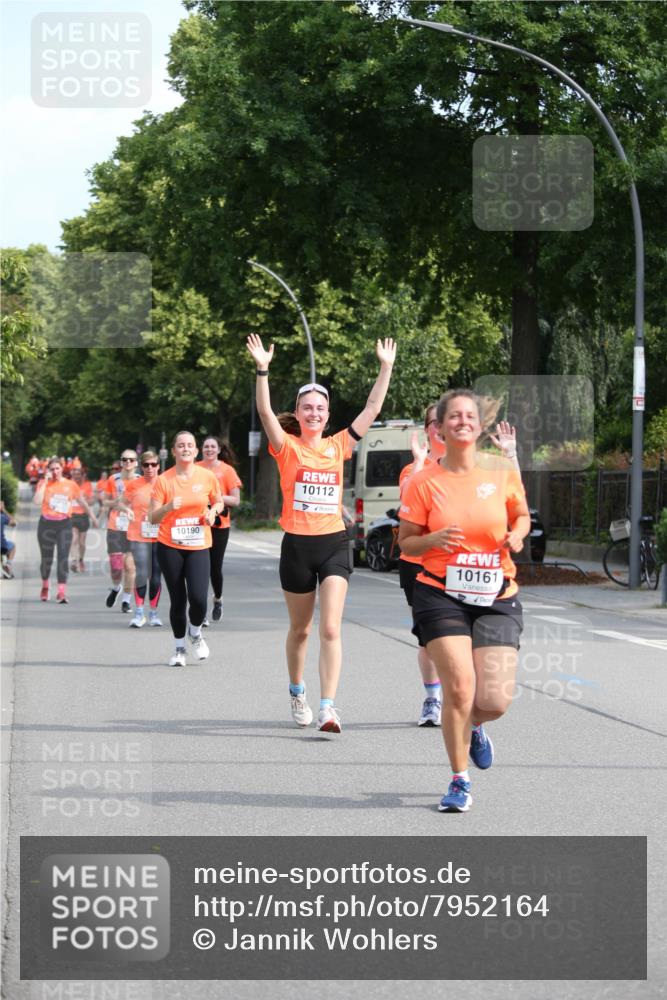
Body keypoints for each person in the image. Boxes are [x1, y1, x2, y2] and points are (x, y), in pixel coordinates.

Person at [245, 333, 396, 733]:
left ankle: (329, 707)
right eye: (307, 408)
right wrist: (263, 370)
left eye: (320, 408)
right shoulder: (287, 447)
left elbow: (372, 407)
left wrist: (386, 367)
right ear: (298, 412)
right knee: (301, 629)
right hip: (296, 545)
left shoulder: (339, 445)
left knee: (330, 627)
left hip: (333, 542)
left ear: (328, 415)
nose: (314, 413)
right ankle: (298, 691)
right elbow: (264, 414)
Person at [398, 389, 530, 812]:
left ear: (480, 424)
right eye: (452, 416)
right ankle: (459, 780)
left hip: (496, 594)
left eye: (469, 416)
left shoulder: (501, 470)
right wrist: (432, 539)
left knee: (493, 701)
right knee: (458, 688)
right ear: (439, 426)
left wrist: (518, 534)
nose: (462, 422)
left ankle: (475, 725)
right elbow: (406, 543)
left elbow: (522, 514)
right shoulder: (423, 481)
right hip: (440, 592)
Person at [149, 431, 223, 666]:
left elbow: (219, 500)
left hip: (199, 544)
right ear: (173, 451)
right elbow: (152, 517)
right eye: (181, 445)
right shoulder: (164, 480)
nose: (186, 449)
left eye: (190, 445)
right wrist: (169, 506)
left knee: (199, 599)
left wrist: (212, 512)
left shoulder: (207, 476)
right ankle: (179, 649)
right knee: (178, 600)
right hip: (170, 546)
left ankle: (195, 633)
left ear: (196, 451)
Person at [33, 457, 98, 603]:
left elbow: (82, 502)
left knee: (63, 558)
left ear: (62, 469)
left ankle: (61, 592)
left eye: (57, 468)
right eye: (52, 469)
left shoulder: (71, 485)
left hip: (64, 524)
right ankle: (45, 586)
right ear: (48, 470)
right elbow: (37, 501)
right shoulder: (44, 483)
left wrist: (93, 517)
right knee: (46, 559)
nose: (55, 471)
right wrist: (44, 482)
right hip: (46, 525)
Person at [197, 437, 242, 624]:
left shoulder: (227, 470)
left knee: (214, 567)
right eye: (206, 446)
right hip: (198, 524)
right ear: (201, 450)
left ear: (218, 449)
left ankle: (218, 599)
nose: (209, 449)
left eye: (212, 447)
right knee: (200, 568)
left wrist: (216, 497)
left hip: (219, 524)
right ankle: (201, 610)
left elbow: (236, 500)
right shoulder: (195, 468)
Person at [120, 450, 163, 628]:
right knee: (141, 574)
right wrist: (126, 509)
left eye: (154, 464)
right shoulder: (134, 485)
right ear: (141, 466)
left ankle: (153, 613)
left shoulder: (166, 483)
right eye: (146, 465)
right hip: (139, 535)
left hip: (160, 536)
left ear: (159, 466)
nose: (150, 468)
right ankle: (139, 613)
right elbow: (121, 502)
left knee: (155, 577)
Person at [104, 451, 139, 613]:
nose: (128, 462)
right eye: (124, 459)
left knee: (130, 567)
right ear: (121, 462)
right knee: (117, 568)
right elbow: (105, 501)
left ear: (136, 463)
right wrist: (116, 502)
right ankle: (116, 587)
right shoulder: (113, 480)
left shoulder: (141, 481)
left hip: (133, 527)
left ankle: (126, 600)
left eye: (131, 460)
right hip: (115, 526)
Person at [69, 466, 94, 572]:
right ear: (72, 476)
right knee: (74, 539)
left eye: (79, 475)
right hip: (72, 515)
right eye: (75, 475)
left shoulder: (87, 485)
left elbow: (92, 501)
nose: (77, 477)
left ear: (82, 475)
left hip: (83, 516)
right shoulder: (69, 485)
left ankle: (81, 560)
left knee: (82, 542)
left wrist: (84, 501)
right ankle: (74, 561)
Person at [1, 500, 17, 578]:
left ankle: (6, 570)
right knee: (13, 546)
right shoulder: (2, 517)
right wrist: (4, 510)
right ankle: (8, 564)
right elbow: (14, 523)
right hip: (2, 545)